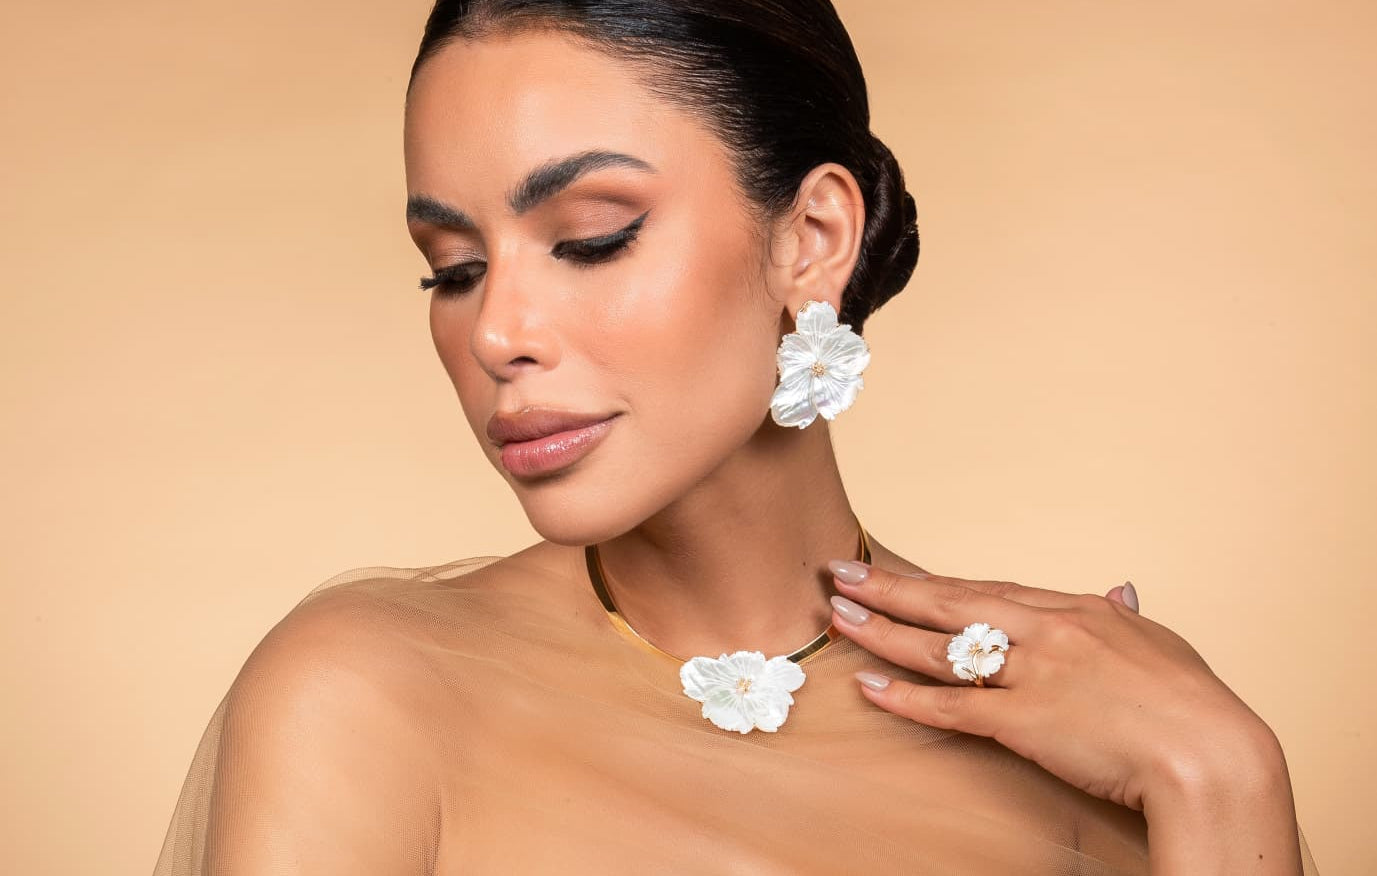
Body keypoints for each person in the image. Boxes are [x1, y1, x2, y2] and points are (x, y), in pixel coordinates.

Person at [153, 1, 1320, 873]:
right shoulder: (365, 700)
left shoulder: (1083, 744)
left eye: (592, 237)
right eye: (452, 269)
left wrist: (1224, 780)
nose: (496, 331)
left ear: (811, 239)